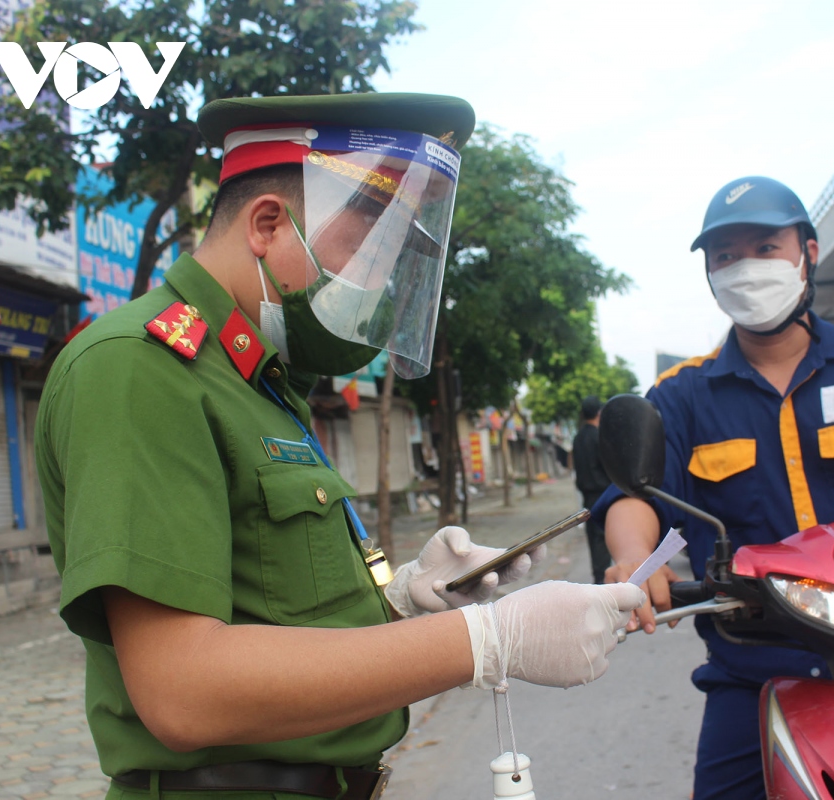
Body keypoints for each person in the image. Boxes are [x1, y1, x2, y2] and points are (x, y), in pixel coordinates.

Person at [36, 93, 644, 800]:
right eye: (366, 249)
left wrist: (411, 603)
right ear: (268, 224)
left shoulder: (260, 380)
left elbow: (275, 611)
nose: (375, 283)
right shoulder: (139, 369)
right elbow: (182, 690)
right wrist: (485, 640)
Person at [593, 177, 834, 800]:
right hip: (755, 670)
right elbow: (637, 497)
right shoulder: (681, 395)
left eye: (765, 246)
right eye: (725, 255)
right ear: (708, 274)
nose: (745, 267)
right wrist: (634, 562)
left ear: (809, 251)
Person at [572, 395, 613, 583]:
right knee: (607, 542)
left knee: (595, 544)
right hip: (605, 496)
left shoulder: (577, 439)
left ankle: (599, 583)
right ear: (599, 412)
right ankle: (608, 586)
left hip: (588, 499)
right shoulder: (601, 437)